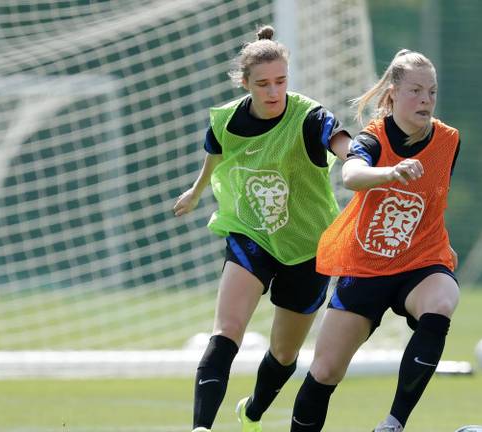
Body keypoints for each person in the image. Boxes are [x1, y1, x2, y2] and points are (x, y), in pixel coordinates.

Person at [173, 25, 350, 432]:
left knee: (284, 354)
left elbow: (342, 144)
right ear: (245, 83)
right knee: (227, 330)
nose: (274, 93)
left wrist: (360, 165)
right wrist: (196, 192)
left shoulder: (309, 115)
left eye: (281, 82)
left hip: (309, 247)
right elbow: (215, 156)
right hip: (250, 234)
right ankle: (201, 427)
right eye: (264, 84)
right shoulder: (227, 121)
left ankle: (251, 412)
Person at [290, 49, 461, 432]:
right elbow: (351, 175)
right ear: (392, 95)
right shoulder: (373, 137)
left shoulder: (449, 140)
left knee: (442, 301)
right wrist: (391, 172)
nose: (426, 100)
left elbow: (432, 200)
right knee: (325, 370)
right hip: (366, 265)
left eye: (431, 92)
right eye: (415, 90)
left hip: (420, 261)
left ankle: (393, 424)